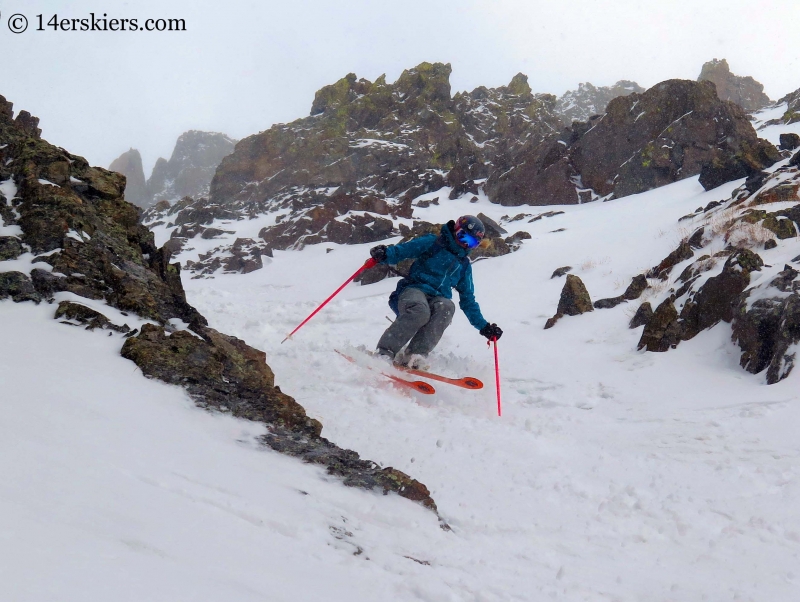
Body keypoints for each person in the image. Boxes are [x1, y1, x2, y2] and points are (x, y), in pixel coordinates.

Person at [369, 215, 503, 369]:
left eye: (472, 243)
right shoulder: (435, 242)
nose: (465, 243)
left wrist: (484, 327)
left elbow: (468, 300)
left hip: (438, 298)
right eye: (463, 236)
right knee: (420, 311)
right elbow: (404, 250)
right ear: (455, 231)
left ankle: (414, 356)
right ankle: (384, 353)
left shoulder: (464, 265)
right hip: (413, 289)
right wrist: (385, 254)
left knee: (447, 307)